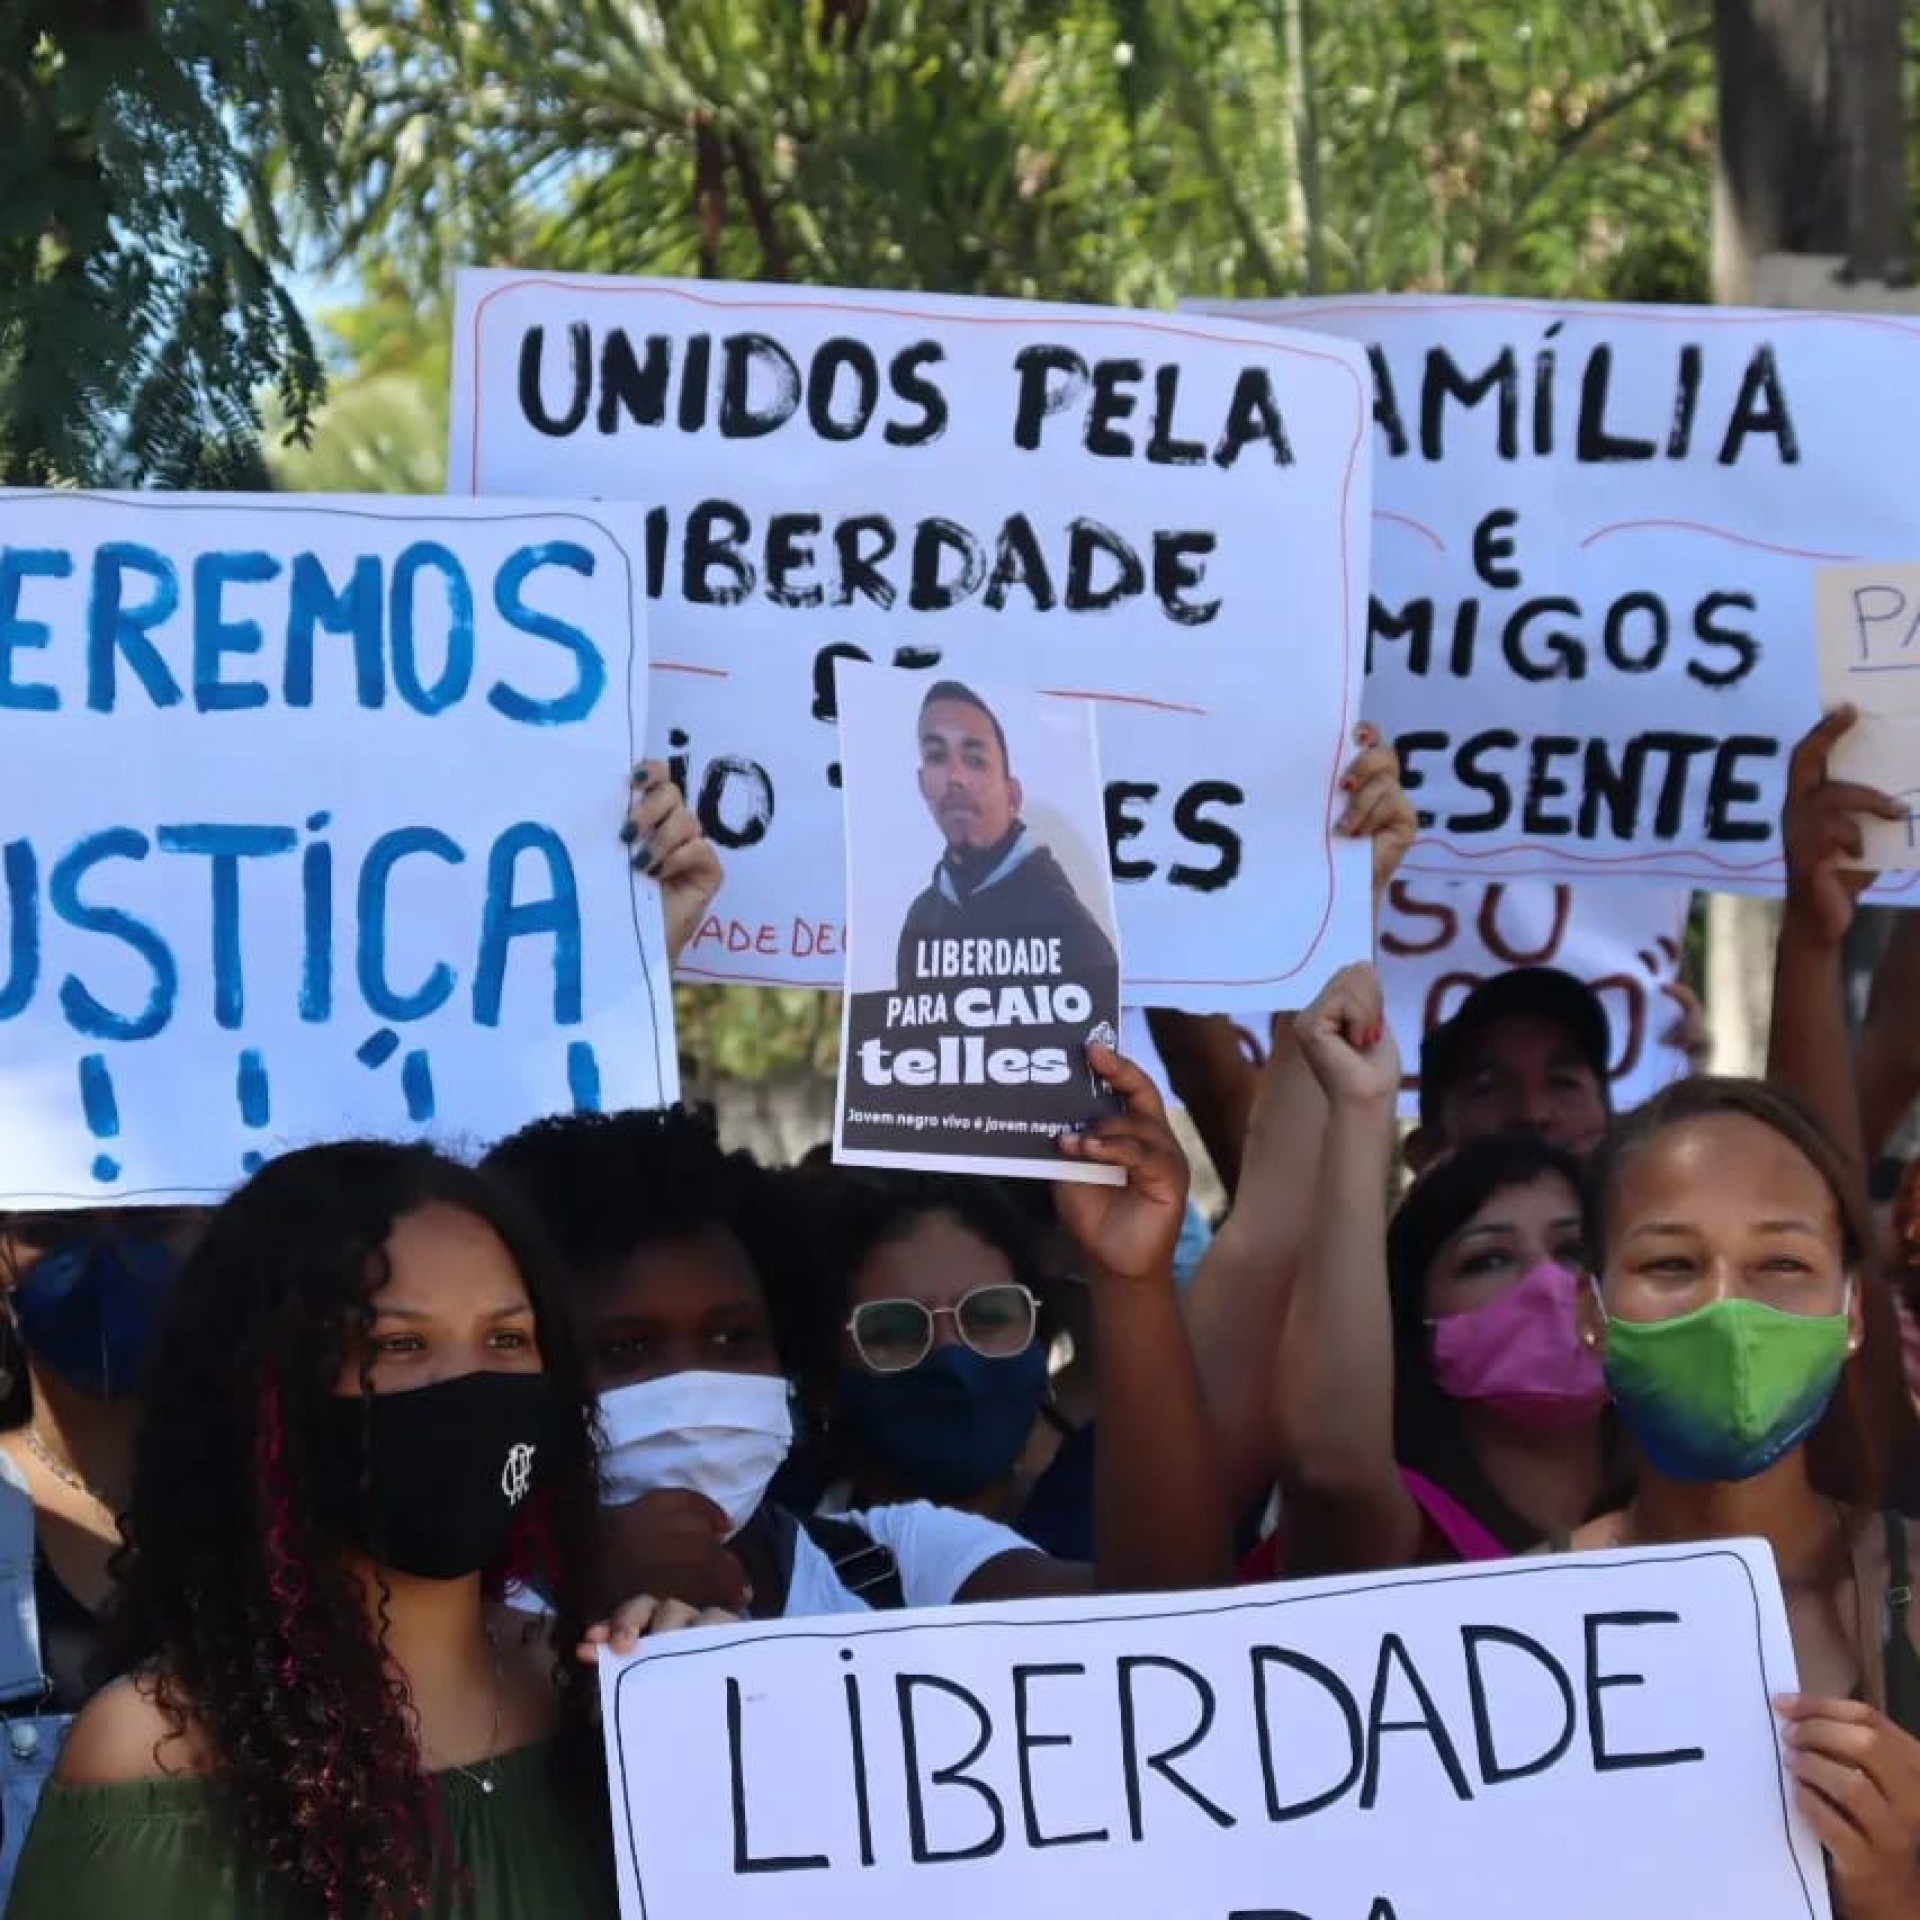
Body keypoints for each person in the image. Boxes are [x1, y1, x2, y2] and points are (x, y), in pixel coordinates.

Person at [8, 1142, 625, 1918]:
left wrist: (715, 1687)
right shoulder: (157, 1757)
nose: (466, 1385)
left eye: (507, 1339)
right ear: (265, 1394)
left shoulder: (599, 1695)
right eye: (399, 1346)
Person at [489, 1045, 1232, 1615]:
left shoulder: (897, 1565)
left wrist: (1130, 1280)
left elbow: (1161, 1620)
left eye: (732, 1341)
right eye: (625, 1349)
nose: (691, 1386)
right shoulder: (475, 1614)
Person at [1568, 1077, 1920, 1920]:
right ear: (1593, 1315)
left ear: (1851, 1316)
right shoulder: (1496, 1636)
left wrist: (1894, 1887)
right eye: (1672, 1264)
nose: (1727, 1308)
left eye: (1783, 1264)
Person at [1250, 962, 1617, 1576]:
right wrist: (1362, 1109)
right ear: (1409, 1316)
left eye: (1576, 1252)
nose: (1549, 1287)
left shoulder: (1699, 1500)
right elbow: (1335, 1463)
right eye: (1490, 1258)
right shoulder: (1395, 1534)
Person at [894, 679, 1117, 991]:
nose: (955, 778)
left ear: (1013, 795)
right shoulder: (921, 919)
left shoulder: (1064, 922)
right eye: (936, 756)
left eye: (975, 760)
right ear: (921, 783)